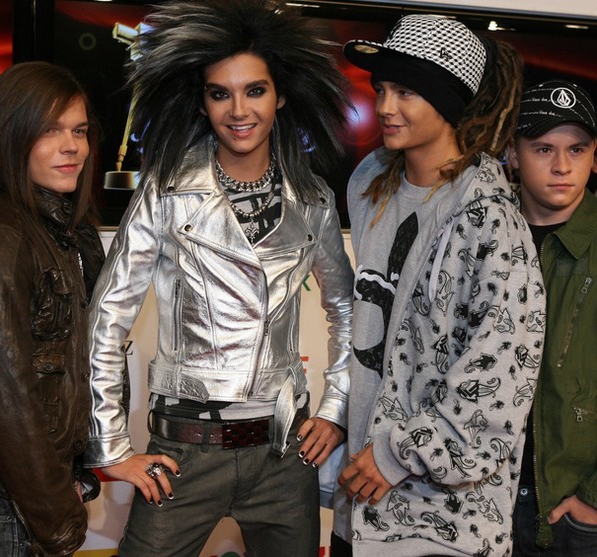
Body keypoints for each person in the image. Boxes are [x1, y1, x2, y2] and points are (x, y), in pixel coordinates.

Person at [84, 1, 353, 556]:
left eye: (255, 90)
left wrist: (334, 408)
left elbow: (347, 311)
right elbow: (108, 317)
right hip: (185, 451)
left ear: (280, 96)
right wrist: (112, 446)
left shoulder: (314, 200)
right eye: (219, 93)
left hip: (284, 455)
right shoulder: (165, 190)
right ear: (202, 102)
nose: (239, 110)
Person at [332, 14, 547, 557]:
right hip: (360, 505)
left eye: (406, 91)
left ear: (448, 101)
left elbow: (501, 374)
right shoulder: (368, 185)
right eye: (382, 88)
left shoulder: (491, 220)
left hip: (442, 519)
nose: (385, 106)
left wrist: (398, 455)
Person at [0, 61, 104, 556]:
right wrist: (57, 516)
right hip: (14, 502)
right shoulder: (7, 235)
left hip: (44, 490)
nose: (71, 146)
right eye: (50, 130)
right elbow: (7, 395)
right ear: (11, 135)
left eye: (79, 131)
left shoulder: (70, 233)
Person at [507, 79, 597, 556]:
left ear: (594, 156)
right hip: (482, 505)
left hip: (574, 515)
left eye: (576, 149)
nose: (563, 166)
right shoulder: (481, 236)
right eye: (544, 148)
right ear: (512, 154)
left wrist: (594, 499)